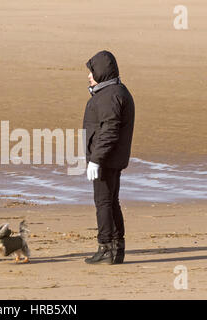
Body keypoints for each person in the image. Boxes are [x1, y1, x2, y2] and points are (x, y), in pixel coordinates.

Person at [83, 50, 135, 264]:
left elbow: (110, 130)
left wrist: (96, 160)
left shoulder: (110, 95)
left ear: (102, 72)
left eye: (92, 71)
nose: (89, 76)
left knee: (103, 202)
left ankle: (106, 247)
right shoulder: (114, 91)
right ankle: (116, 247)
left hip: (105, 160)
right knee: (112, 201)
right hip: (111, 158)